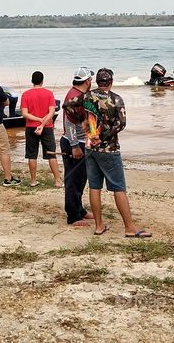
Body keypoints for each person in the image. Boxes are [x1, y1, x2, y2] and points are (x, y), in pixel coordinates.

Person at [84, 68, 151, 238]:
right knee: (118, 188)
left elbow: (73, 111)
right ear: (111, 82)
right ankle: (129, 227)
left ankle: (99, 225)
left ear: (97, 82)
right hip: (109, 149)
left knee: (94, 187)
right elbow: (121, 124)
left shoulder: (87, 97)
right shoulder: (116, 99)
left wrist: (93, 134)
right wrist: (104, 137)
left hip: (90, 147)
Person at [62, 67, 95, 227]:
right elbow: (69, 124)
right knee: (73, 180)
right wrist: (74, 146)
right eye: (91, 80)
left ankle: (79, 209)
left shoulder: (78, 95)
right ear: (87, 81)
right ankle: (73, 216)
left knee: (81, 179)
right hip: (73, 143)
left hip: (81, 142)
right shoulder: (74, 96)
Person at [19, 71, 62, 187]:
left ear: (32, 81)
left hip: (31, 127)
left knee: (32, 154)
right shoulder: (48, 94)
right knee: (51, 153)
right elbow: (52, 112)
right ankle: (57, 180)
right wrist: (42, 121)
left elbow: (24, 114)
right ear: (42, 81)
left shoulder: (26, 94)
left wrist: (38, 120)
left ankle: (33, 181)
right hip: (47, 126)